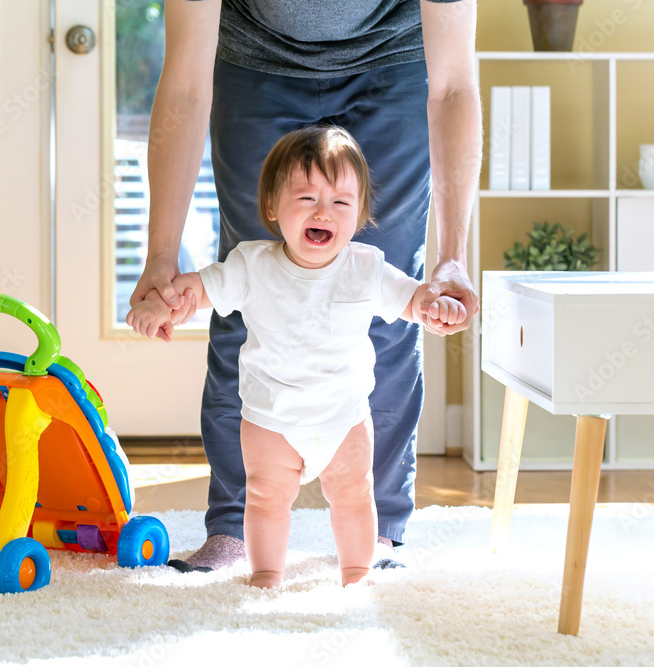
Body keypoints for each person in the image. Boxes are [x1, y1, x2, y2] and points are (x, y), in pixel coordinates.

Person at [131, 0, 481, 572]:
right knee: (247, 293)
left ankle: (379, 531)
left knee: (389, 297)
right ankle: (235, 526)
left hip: (392, 65)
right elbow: (188, 87)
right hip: (256, 65)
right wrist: (161, 256)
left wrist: (453, 257)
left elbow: (451, 88)